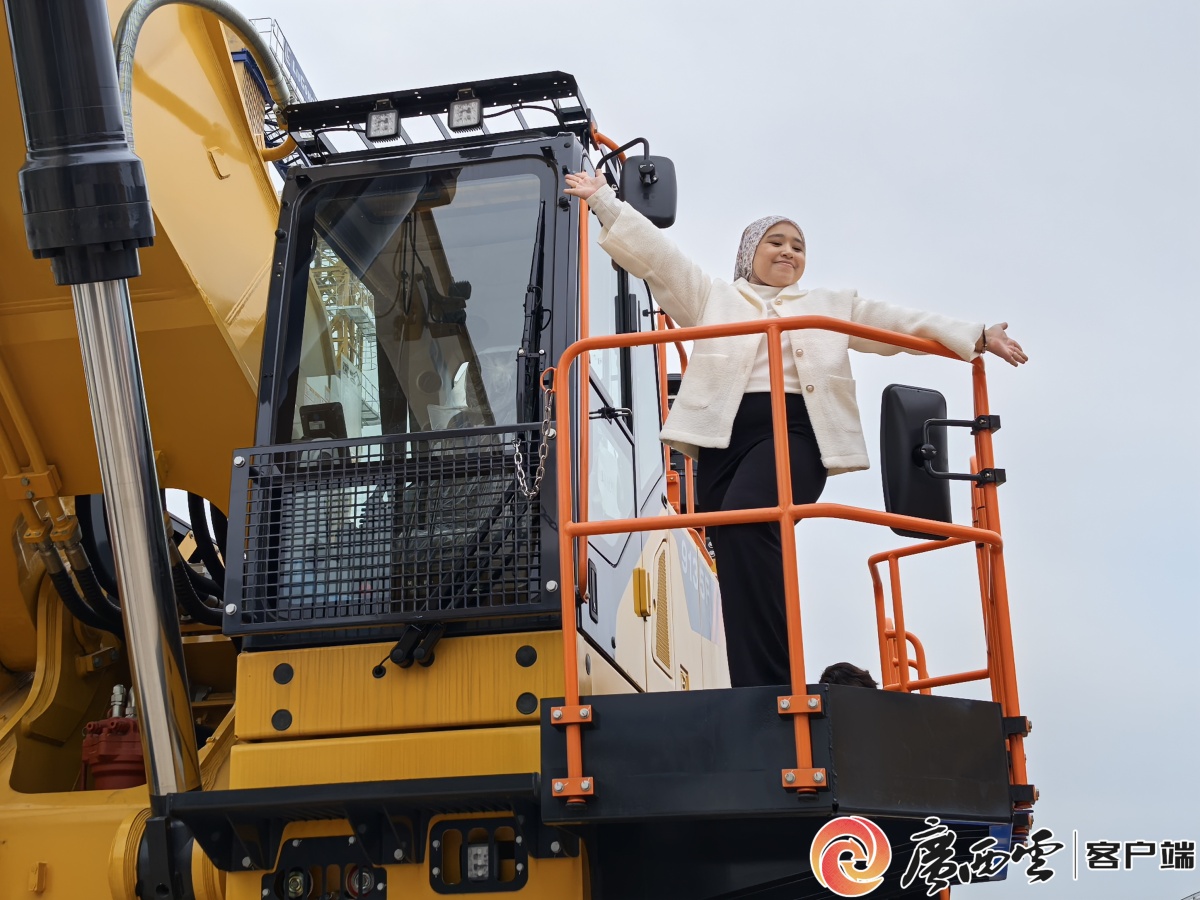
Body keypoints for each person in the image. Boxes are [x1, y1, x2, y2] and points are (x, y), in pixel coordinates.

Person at [563, 171, 1027, 689]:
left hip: (797, 434)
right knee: (734, 546)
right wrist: (604, 200)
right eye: (776, 242)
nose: (788, 251)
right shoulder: (713, 298)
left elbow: (897, 323)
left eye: (798, 246)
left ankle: (775, 685)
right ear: (749, 253)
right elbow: (659, 258)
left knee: (747, 517)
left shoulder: (830, 305)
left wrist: (976, 335)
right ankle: (757, 687)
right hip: (723, 442)